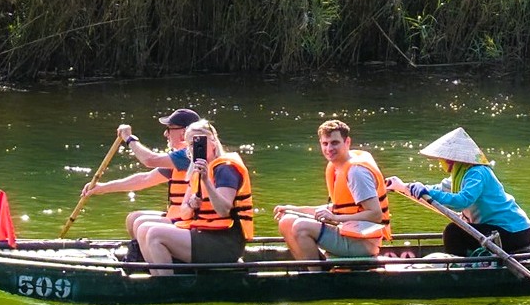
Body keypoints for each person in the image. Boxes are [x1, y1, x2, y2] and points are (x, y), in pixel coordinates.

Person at [387, 127, 530, 256]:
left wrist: (429, 193)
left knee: (453, 232)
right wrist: (403, 186)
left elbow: (462, 201)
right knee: (456, 231)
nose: (441, 162)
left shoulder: (478, 173)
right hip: (496, 230)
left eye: (442, 159)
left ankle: (465, 266)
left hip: (513, 233)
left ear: (451, 159)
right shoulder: (460, 175)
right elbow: (437, 189)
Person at [137, 120, 254, 268]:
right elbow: (185, 214)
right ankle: (161, 280)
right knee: (143, 229)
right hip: (204, 231)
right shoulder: (196, 170)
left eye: (199, 141)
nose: (195, 147)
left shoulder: (225, 168)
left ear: (212, 141)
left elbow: (223, 210)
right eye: (191, 144)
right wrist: (192, 204)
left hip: (225, 241)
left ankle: (166, 284)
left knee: (155, 234)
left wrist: (206, 181)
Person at [79, 108, 201, 246]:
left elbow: (149, 160)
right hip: (177, 215)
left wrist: (129, 139)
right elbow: (145, 179)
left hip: (191, 220)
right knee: (133, 218)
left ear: (184, 132)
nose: (165, 133)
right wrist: (102, 188)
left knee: (140, 223)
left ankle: (157, 257)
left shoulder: (190, 155)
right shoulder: (179, 158)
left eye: (169, 129)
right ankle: (145, 254)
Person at [272, 119, 390, 260]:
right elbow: (337, 208)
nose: (329, 149)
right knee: (286, 221)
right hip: (347, 233)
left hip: (364, 242)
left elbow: (375, 215)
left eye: (334, 143)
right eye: (325, 144)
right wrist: (294, 209)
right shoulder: (337, 167)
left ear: (347, 142)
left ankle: (317, 277)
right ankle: (310, 270)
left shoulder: (356, 172)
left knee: (301, 227)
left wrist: (335, 218)